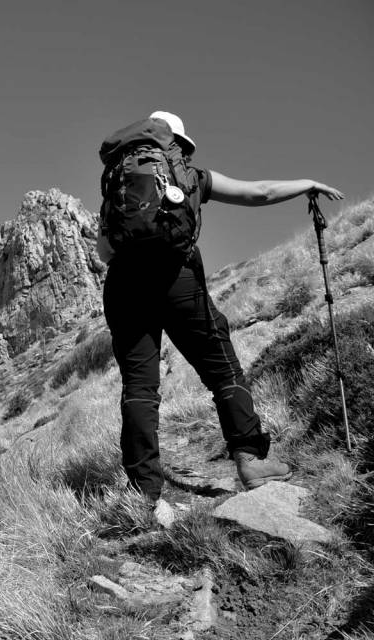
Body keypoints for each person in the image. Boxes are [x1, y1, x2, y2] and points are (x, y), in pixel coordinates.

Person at [97, 111, 344, 527]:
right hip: (177, 279)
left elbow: (106, 253)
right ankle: (250, 460)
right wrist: (306, 184)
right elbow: (259, 192)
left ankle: (143, 494)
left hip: (123, 286)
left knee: (140, 388)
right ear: (176, 146)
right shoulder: (193, 177)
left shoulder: (118, 186)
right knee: (222, 368)